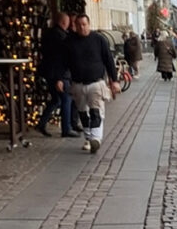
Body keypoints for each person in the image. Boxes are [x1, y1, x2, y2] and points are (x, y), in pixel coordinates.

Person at [62, 14, 120, 154]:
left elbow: (108, 60)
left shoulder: (99, 39)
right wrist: (60, 78)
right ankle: (89, 138)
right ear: (75, 26)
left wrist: (114, 80)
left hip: (96, 82)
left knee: (96, 111)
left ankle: (96, 139)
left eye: (84, 24)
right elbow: (63, 61)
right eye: (79, 25)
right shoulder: (70, 42)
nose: (82, 27)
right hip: (78, 84)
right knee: (83, 112)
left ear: (89, 24)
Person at [36, 12, 79, 138]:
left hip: (48, 72)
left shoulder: (49, 34)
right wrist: (60, 78)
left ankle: (42, 123)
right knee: (66, 98)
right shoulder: (61, 37)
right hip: (59, 74)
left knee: (56, 99)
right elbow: (61, 58)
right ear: (64, 23)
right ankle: (66, 129)